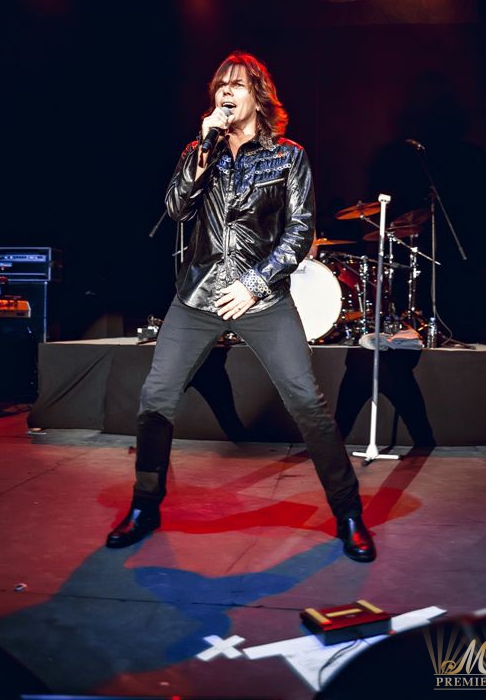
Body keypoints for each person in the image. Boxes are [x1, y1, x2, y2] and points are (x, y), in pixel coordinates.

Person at [106, 51, 375, 562]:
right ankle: (145, 505)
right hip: (198, 295)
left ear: (258, 95)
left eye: (237, 84)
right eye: (220, 85)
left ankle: (348, 513)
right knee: (156, 397)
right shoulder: (200, 150)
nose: (226, 92)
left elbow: (299, 232)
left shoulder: (288, 156)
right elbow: (176, 208)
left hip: (262, 298)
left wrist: (253, 284)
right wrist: (202, 151)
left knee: (306, 401)